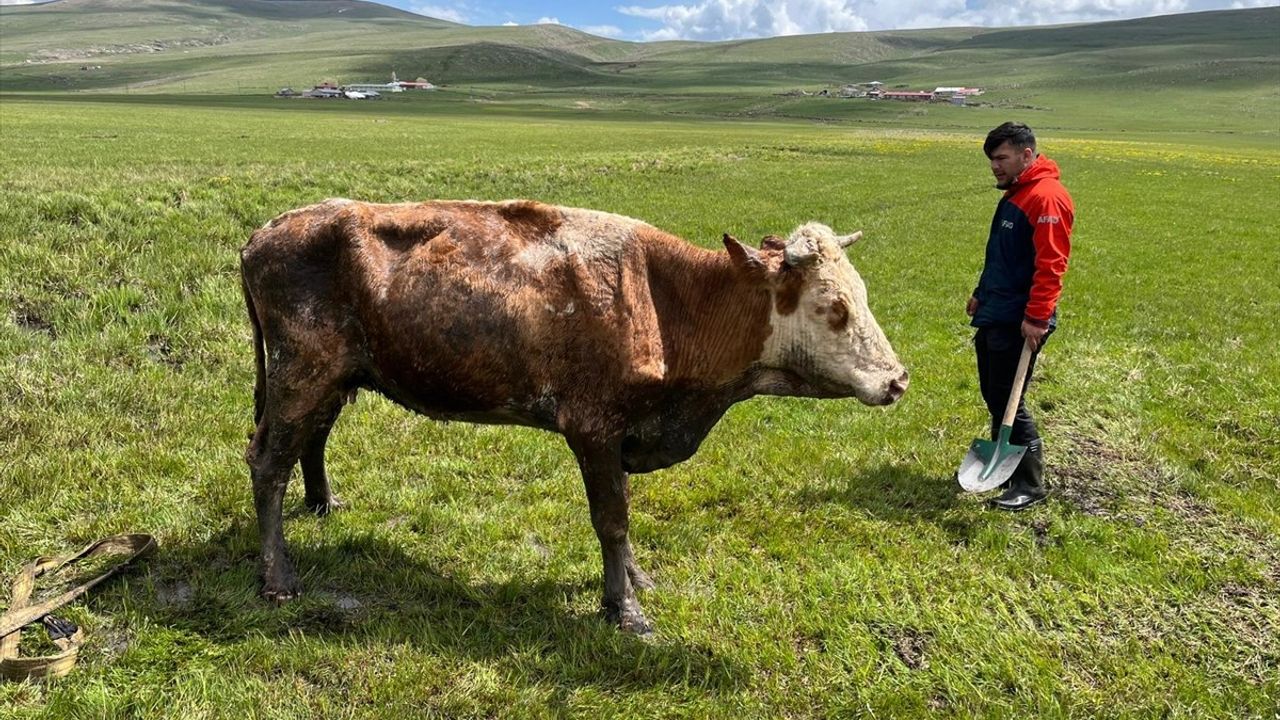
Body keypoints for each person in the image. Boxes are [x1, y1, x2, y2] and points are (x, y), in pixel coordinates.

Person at [967, 122, 1074, 511]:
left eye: (1001, 158)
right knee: (995, 395)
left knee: (1009, 398)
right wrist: (981, 294)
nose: (995, 166)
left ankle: (1029, 484)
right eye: (992, 160)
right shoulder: (1019, 195)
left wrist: (1037, 317)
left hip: (1021, 318)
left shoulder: (1046, 198)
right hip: (999, 310)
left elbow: (1051, 265)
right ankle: (1005, 472)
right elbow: (1003, 256)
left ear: (1026, 155)